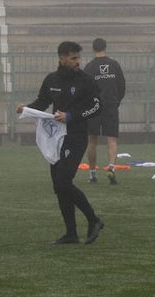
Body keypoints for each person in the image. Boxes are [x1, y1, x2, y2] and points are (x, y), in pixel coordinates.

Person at [15, 41, 104, 245]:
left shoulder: (85, 80)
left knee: (64, 181)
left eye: (78, 58)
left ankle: (94, 220)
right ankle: (71, 233)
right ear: (61, 58)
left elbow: (97, 106)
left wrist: (71, 116)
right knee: (58, 185)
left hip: (76, 136)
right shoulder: (51, 79)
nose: (77, 62)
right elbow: (42, 102)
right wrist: (26, 109)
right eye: (73, 58)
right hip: (56, 138)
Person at [83, 38, 126, 185]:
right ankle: (111, 169)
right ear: (105, 47)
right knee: (112, 139)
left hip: (94, 108)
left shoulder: (89, 67)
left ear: (93, 49)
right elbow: (122, 86)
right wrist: (116, 101)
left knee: (92, 141)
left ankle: (92, 174)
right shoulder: (114, 65)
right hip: (110, 105)